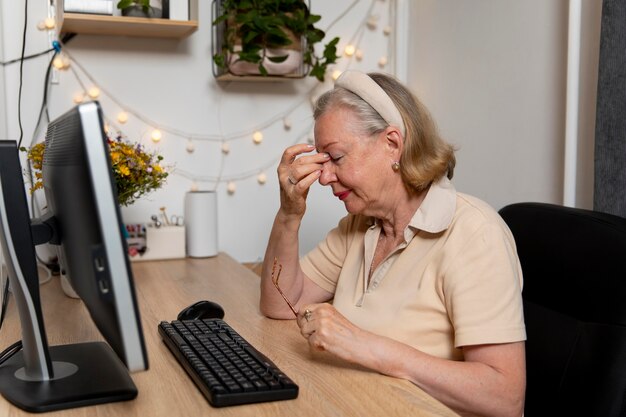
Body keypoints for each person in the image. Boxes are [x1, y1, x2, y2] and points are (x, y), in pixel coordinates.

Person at [260, 70, 526, 417]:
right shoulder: (359, 225)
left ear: (392, 144)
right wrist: (289, 214)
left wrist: (362, 345)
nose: (324, 177)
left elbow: (505, 397)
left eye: (336, 158)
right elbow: (280, 304)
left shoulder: (475, 233)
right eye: (323, 162)